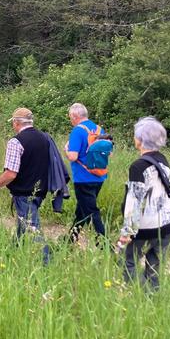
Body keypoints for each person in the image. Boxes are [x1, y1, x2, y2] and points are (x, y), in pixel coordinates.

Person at [0, 107, 51, 264]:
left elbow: (11, 173)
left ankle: (47, 263)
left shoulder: (16, 141)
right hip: (40, 190)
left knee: (33, 228)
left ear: (16, 123)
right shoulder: (44, 138)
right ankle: (13, 252)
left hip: (24, 192)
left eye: (13, 122)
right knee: (23, 223)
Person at [117, 117, 170, 291]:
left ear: (140, 140)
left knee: (127, 261)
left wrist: (126, 232)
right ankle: (152, 296)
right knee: (154, 267)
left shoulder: (138, 166)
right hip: (165, 224)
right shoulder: (163, 160)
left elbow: (134, 201)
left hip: (144, 226)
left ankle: (137, 295)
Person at [65, 103, 108, 246]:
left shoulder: (77, 131)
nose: (70, 120)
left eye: (70, 117)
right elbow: (108, 152)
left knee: (91, 211)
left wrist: (66, 149)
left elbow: (72, 156)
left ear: (74, 116)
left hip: (83, 178)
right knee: (82, 210)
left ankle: (104, 243)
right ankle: (69, 240)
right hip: (99, 176)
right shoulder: (99, 129)